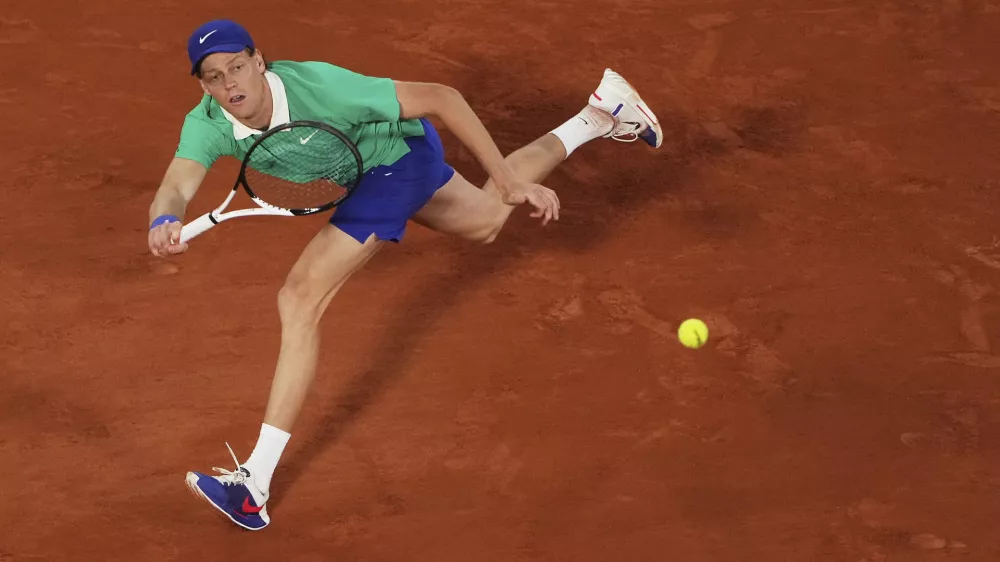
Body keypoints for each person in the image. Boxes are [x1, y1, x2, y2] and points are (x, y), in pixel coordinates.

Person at [148, 18, 663, 531]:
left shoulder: (321, 88)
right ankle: (599, 114)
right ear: (203, 85)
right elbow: (176, 185)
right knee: (484, 222)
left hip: (398, 159)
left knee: (299, 298)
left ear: (259, 62)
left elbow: (442, 96)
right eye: (214, 76)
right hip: (363, 171)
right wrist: (164, 218)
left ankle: (253, 486)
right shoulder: (209, 122)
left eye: (237, 67)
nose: (229, 84)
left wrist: (505, 180)